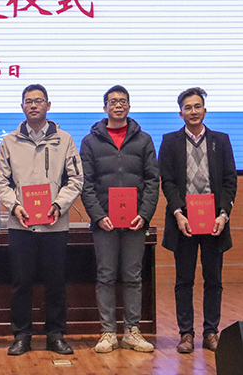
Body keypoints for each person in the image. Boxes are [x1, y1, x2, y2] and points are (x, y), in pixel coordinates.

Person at [0, 84, 83, 356]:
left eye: (38, 101)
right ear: (22, 106)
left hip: (55, 224)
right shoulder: (9, 141)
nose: (33, 105)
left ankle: (55, 335)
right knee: (21, 283)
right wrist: (15, 206)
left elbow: (76, 179)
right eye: (28, 101)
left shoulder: (64, 140)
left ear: (48, 105)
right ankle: (22, 335)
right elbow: (0, 182)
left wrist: (58, 204)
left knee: (55, 283)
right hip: (21, 225)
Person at [79, 85, 159, 354]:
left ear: (129, 106)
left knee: (133, 276)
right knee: (106, 276)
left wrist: (144, 214)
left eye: (123, 101)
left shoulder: (143, 140)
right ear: (105, 107)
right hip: (105, 223)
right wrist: (98, 216)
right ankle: (108, 333)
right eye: (113, 101)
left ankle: (132, 332)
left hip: (135, 221)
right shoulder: (90, 142)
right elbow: (86, 183)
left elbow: (152, 180)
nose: (118, 105)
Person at [158, 87, 237, 353]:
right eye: (188, 107)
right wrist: (178, 213)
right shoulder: (170, 141)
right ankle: (186, 334)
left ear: (205, 110)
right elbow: (167, 182)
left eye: (197, 106)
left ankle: (211, 332)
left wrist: (223, 215)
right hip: (184, 223)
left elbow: (230, 180)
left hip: (214, 222)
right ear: (181, 113)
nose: (193, 111)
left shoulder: (221, 141)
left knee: (213, 280)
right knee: (184, 281)